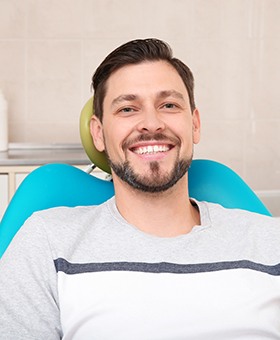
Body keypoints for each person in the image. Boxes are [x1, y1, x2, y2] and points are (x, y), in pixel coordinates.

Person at [0, 38, 279, 340]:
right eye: (128, 109)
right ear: (99, 133)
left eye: (169, 105)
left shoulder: (270, 241)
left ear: (195, 124)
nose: (151, 123)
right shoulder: (46, 243)